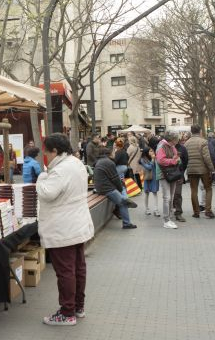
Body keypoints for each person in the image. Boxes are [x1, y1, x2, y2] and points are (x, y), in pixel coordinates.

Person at [36, 133, 95, 326]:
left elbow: (47, 193)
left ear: (55, 151)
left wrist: (41, 177)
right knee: (78, 269)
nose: (45, 155)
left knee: (65, 271)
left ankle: (66, 312)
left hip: (63, 228)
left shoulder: (60, 170)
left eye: (47, 151)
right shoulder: (76, 163)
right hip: (77, 225)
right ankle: (78, 307)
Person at [93, 149, 138, 229]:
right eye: (113, 152)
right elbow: (115, 178)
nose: (115, 153)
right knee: (123, 203)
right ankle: (126, 223)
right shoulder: (109, 163)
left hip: (100, 187)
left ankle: (121, 204)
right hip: (106, 188)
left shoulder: (100, 161)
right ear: (110, 154)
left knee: (121, 198)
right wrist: (120, 189)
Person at [185, 125, 215, 219]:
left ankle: (196, 212)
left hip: (191, 169)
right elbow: (206, 157)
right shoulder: (203, 141)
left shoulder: (187, 143)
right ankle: (208, 211)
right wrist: (212, 169)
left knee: (194, 190)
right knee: (208, 188)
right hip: (203, 169)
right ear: (200, 131)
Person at [156, 131, 182, 229]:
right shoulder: (162, 146)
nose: (178, 141)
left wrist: (177, 159)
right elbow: (160, 160)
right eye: (177, 139)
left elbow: (175, 157)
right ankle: (166, 220)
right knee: (167, 197)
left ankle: (169, 218)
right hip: (164, 174)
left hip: (171, 174)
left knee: (170, 197)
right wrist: (173, 161)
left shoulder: (171, 146)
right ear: (172, 139)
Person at [171, 139, 188, 222]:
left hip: (178, 174)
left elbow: (186, 160)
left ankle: (178, 212)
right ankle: (170, 211)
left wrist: (181, 171)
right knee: (168, 195)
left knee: (177, 194)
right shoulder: (166, 147)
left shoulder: (182, 148)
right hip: (168, 174)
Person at [140, 147, 160, 216]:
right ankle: (147, 209)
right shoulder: (143, 159)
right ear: (146, 152)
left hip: (154, 177)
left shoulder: (155, 158)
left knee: (155, 193)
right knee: (146, 193)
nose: (152, 153)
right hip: (147, 178)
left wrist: (155, 159)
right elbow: (149, 167)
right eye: (150, 151)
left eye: (152, 151)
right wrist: (152, 159)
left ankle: (156, 209)